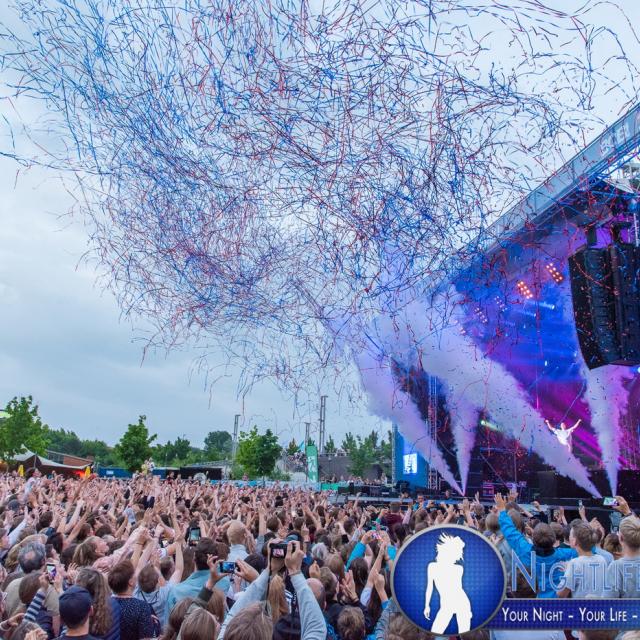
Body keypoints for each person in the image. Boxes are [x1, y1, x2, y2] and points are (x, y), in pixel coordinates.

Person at [423, 533, 471, 634]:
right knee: (435, 632)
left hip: (461, 603)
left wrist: (427, 605)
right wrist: (427, 605)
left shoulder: (459, 569)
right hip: (447, 605)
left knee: (465, 635)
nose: (460, 556)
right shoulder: (432, 567)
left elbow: (457, 590)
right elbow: (429, 588)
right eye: (459, 552)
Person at [107, 561, 156, 640]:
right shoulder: (141, 607)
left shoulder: (106, 604)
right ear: (131, 582)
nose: (136, 576)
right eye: (134, 575)